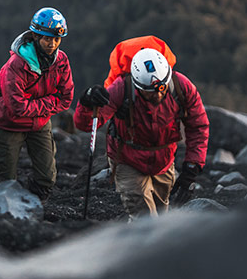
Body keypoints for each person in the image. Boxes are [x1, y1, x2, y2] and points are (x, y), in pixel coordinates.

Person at [74, 48, 209, 218]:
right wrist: (86, 102)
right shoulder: (121, 89)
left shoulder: (181, 87)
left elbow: (198, 126)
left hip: (164, 161)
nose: (158, 94)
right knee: (144, 217)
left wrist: (192, 167)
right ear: (138, 86)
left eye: (161, 88)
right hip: (127, 159)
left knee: (162, 214)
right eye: (150, 91)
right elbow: (88, 124)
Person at [0, 7, 74, 201]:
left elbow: (66, 98)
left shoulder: (61, 60)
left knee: (47, 177)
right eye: (47, 39)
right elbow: (17, 106)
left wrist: (36, 105)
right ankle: (4, 209)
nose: (52, 44)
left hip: (40, 123)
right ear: (36, 36)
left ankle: (36, 204)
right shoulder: (17, 64)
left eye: (57, 39)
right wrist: (49, 103)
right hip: (9, 124)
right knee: (5, 178)